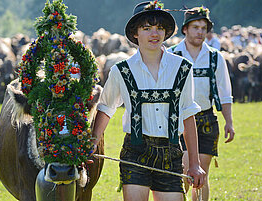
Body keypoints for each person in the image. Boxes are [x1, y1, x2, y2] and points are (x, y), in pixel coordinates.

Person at [91, 1, 206, 200]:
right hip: (135, 152)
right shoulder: (121, 70)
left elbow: (187, 114)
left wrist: (194, 163)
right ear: (135, 33)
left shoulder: (183, 68)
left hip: (171, 153)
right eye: (147, 28)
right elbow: (106, 107)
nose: (155, 33)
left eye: (159, 28)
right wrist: (92, 142)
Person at [167, 6, 235, 201]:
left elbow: (225, 93)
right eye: (195, 27)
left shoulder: (215, 57)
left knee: (201, 174)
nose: (200, 32)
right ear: (185, 29)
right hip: (178, 120)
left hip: (206, 120)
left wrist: (229, 122)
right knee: (185, 172)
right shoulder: (172, 55)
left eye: (204, 28)